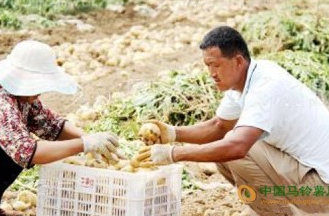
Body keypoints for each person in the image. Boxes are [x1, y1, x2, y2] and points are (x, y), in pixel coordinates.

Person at [139, 26, 329, 215]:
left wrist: (174, 154)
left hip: (321, 188)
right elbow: (218, 126)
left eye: (216, 65)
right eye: (208, 66)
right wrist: (172, 133)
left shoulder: (265, 86)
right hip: (309, 174)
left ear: (238, 61)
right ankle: (272, 208)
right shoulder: (244, 81)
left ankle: (284, 212)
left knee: (235, 150)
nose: (212, 73)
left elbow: (237, 147)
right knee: (223, 147)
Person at [0, 40, 122, 215]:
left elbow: (51, 125)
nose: (40, 92)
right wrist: (83, 144)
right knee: (11, 153)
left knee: (13, 148)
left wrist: (91, 138)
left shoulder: (20, 95)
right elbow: (28, 152)